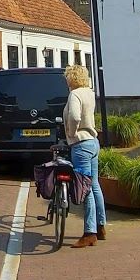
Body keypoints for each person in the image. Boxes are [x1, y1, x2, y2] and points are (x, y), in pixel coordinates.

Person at [62, 63, 105, 247]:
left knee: (84, 188)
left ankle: (89, 233)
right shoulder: (89, 92)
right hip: (94, 143)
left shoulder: (75, 94)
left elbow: (74, 116)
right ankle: (101, 226)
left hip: (81, 144)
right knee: (94, 185)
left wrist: (71, 133)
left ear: (71, 78)